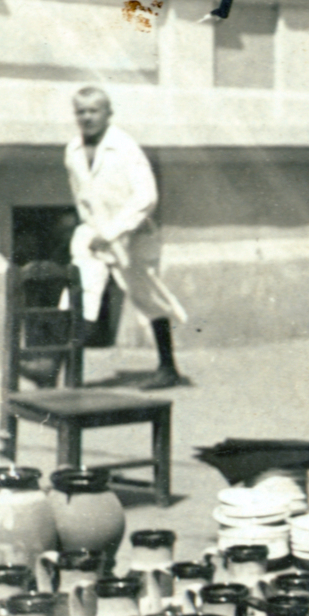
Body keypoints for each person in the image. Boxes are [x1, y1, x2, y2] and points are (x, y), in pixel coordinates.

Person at [64, 86, 186, 389]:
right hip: (94, 233)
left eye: (94, 111)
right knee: (79, 289)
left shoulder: (125, 148)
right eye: (81, 111)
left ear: (108, 114)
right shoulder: (73, 150)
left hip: (133, 236)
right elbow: (81, 195)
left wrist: (113, 231)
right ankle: (58, 366)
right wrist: (92, 230)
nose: (87, 117)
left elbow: (146, 197)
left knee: (147, 297)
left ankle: (168, 368)